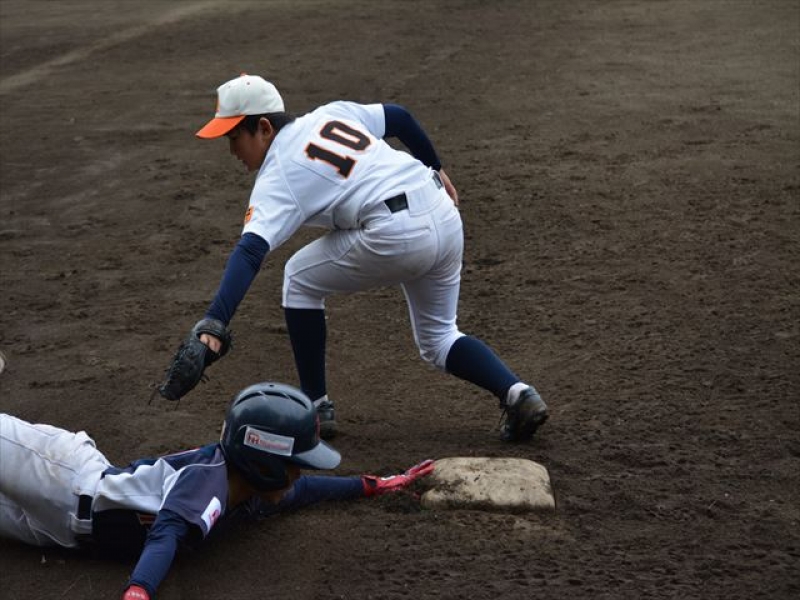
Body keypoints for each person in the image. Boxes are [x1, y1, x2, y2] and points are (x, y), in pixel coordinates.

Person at [184, 73, 548, 442]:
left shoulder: (277, 176)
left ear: (264, 127)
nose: (232, 151)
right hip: (443, 212)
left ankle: (316, 408)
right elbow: (399, 117)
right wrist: (435, 165)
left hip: (398, 234)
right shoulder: (330, 114)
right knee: (439, 337)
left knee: (298, 278)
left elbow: (250, 252)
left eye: (234, 138)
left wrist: (215, 321)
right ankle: (518, 394)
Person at [0, 382, 434, 600]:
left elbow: (306, 492)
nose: (299, 474)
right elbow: (166, 533)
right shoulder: (208, 479)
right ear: (263, 462)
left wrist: (372, 485)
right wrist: (139, 590)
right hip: (58, 474)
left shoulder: (249, 495)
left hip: (58, 532)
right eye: (294, 465)